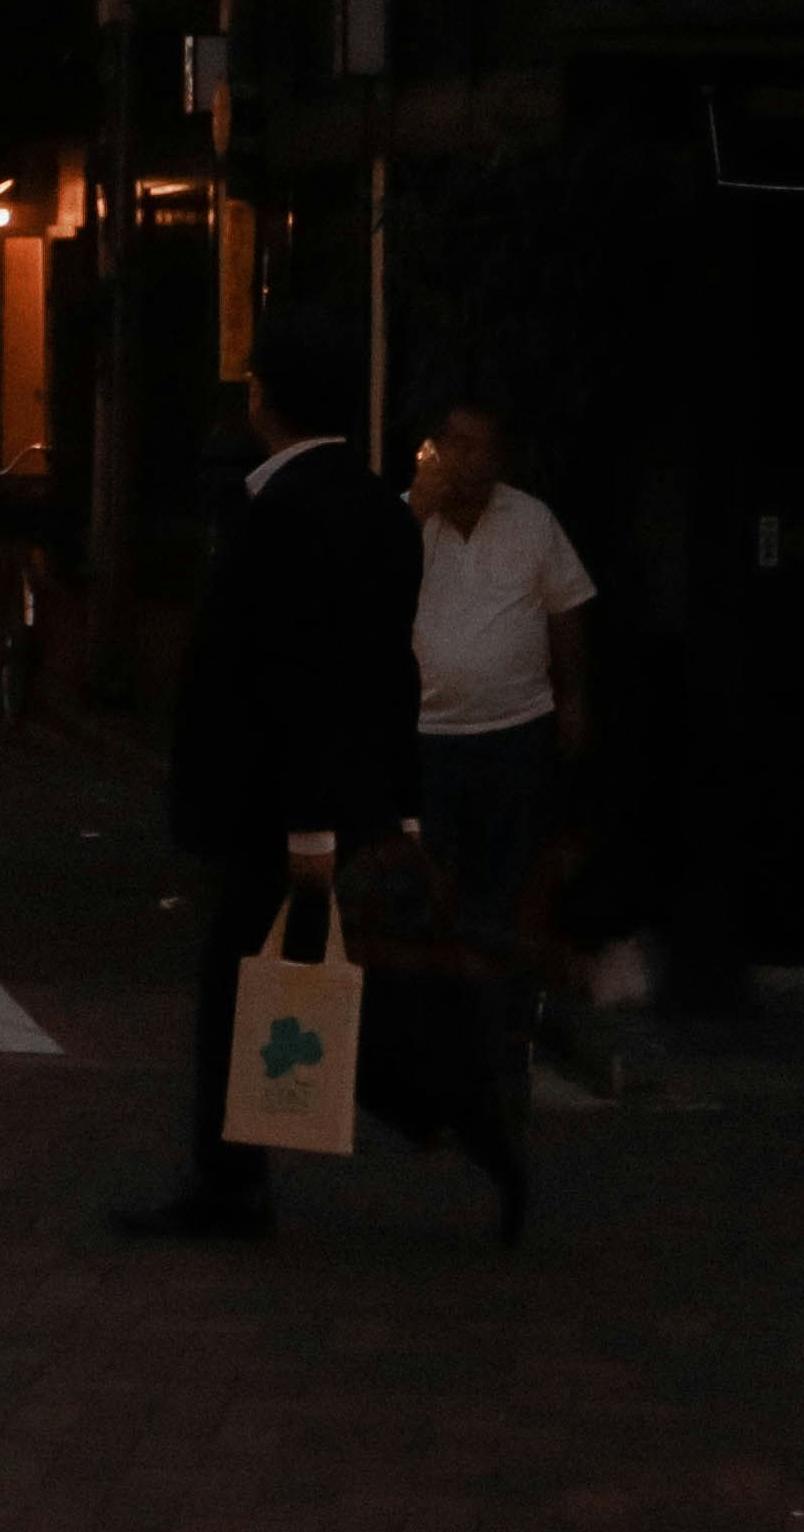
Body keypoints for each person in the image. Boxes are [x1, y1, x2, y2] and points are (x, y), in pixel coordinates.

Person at [122, 309, 517, 1248]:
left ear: (263, 397)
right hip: (351, 797)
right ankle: (437, 1120)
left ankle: (249, 1175)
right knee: (328, 980)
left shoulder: (284, 513)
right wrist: (401, 807)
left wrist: (303, 829)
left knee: (254, 982)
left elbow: (288, 681)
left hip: (279, 807)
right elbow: (390, 672)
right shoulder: (379, 508)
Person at [408, 399, 597, 970]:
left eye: (482, 447)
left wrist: (574, 702)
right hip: (428, 733)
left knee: (511, 876)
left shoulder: (531, 520)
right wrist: (418, 508)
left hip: (516, 729)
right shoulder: (403, 521)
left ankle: (504, 1014)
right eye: (458, 445)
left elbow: (567, 610)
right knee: (431, 880)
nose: (469, 460)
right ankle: (443, 1005)